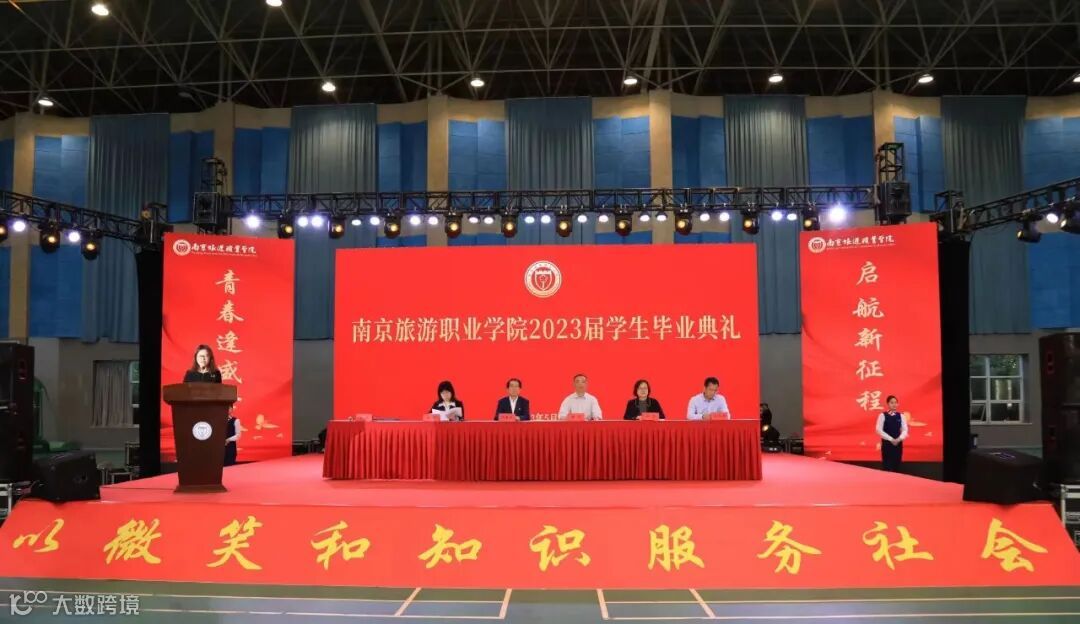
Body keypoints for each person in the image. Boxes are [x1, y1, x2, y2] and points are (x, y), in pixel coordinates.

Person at [876, 395, 909, 471]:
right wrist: (891, 439)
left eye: (895, 403)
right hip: (887, 443)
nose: (894, 404)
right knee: (887, 465)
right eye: (892, 403)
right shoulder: (882, 415)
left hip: (898, 443)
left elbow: (905, 430)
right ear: (888, 404)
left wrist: (899, 439)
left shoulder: (901, 416)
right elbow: (878, 429)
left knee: (897, 464)